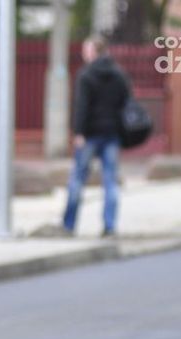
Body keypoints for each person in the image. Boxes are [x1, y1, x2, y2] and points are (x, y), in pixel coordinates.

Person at [63, 35, 130, 237]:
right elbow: (125, 102)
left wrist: (79, 132)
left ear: (93, 52)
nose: (84, 53)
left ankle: (69, 225)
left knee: (77, 179)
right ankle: (110, 226)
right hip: (111, 134)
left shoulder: (86, 75)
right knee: (110, 180)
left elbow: (82, 106)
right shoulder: (119, 74)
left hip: (90, 134)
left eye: (86, 49)